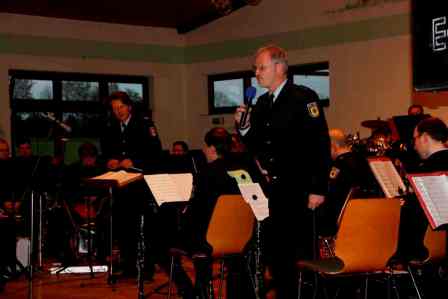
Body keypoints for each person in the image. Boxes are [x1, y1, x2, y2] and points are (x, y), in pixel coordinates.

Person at [234, 45, 331, 298]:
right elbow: (257, 144)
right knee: (277, 255)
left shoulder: (303, 97)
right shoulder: (263, 102)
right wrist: (243, 128)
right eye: (256, 68)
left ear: (279, 67)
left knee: (297, 254)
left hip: (298, 187)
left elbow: (320, 143)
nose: (257, 72)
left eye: (261, 67)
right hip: (272, 189)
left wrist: (318, 188)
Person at [171, 127, 254, 299]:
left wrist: (182, 217)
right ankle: (201, 289)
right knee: (199, 233)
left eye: (205, 146)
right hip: (242, 238)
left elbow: (196, 212)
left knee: (162, 240)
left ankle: (192, 291)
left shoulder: (207, 173)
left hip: (210, 239)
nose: (203, 150)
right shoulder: (244, 171)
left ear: (212, 149)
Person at [392, 117, 448, 265]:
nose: (414, 146)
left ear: (424, 138)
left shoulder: (426, 170)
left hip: (422, 245)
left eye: (415, 139)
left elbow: (414, 212)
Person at [319, 129, 378, 237]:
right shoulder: (364, 160)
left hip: (340, 224)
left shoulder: (338, 165)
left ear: (333, 145)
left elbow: (329, 197)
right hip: (364, 221)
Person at [100, 91, 162, 171]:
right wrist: (109, 161)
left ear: (129, 107)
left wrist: (134, 161)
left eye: (121, 107)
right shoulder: (109, 128)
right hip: (118, 175)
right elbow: (105, 152)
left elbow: (156, 151)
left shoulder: (145, 125)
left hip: (140, 174)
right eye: (115, 109)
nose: (119, 111)